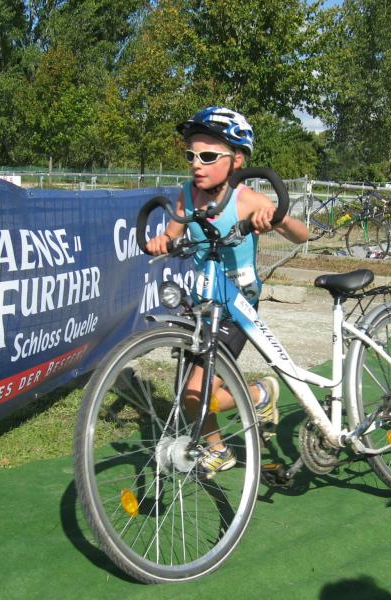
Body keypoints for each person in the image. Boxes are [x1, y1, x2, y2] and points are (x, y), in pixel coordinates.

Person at [146, 106, 309, 477]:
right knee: (190, 397)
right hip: (203, 304)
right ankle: (248, 409)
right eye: (191, 156)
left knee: (195, 392)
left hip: (237, 308)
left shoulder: (247, 200)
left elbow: (302, 235)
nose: (196, 164)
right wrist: (162, 241)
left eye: (207, 156)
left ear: (237, 160)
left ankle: (250, 407)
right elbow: (172, 233)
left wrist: (278, 218)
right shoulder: (187, 195)